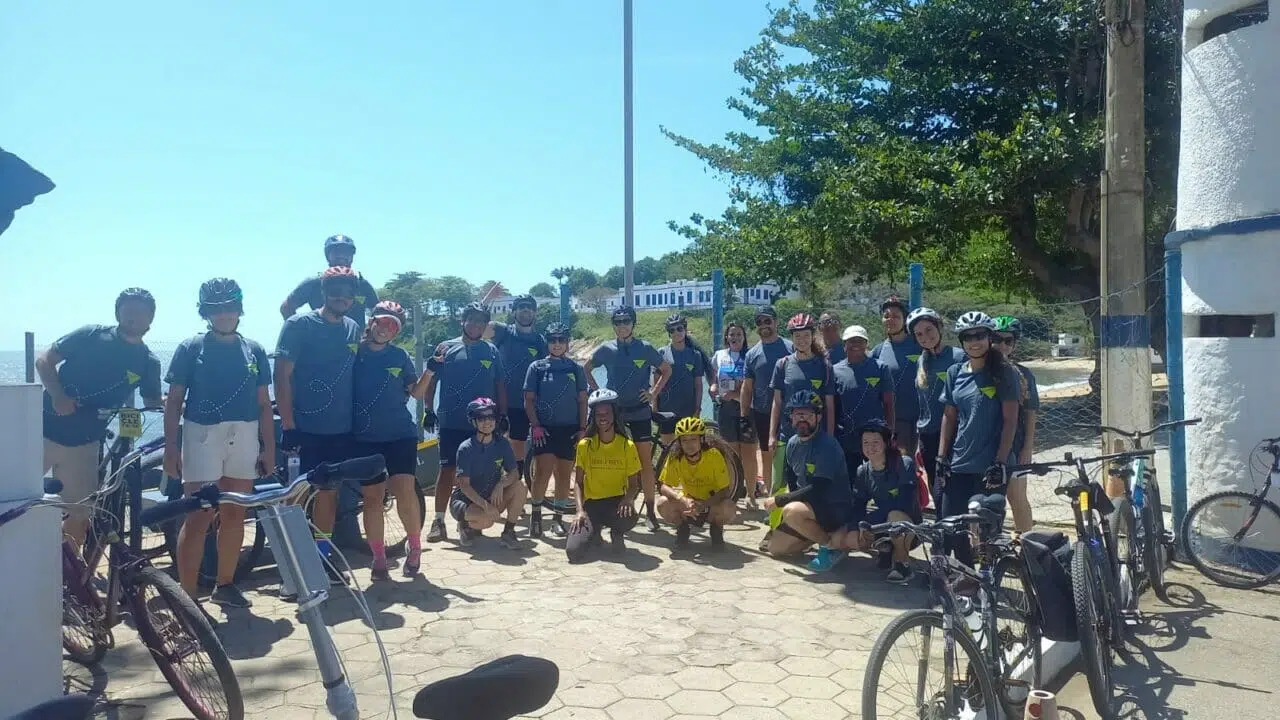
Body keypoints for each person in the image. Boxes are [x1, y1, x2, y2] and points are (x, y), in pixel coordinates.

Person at [164, 279, 273, 607]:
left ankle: (225, 585)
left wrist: (268, 447)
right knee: (198, 515)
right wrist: (171, 447)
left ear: (239, 309)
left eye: (230, 307)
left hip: (245, 433)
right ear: (206, 313)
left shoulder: (254, 349)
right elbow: (174, 401)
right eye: (216, 308)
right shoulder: (190, 348)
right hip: (202, 434)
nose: (224, 314)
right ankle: (187, 596)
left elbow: (264, 404)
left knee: (235, 513)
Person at [38, 288, 163, 549]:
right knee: (13, 502)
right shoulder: (91, 335)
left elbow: (152, 401)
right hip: (42, 432)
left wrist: (177, 403)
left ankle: (66, 569)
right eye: (129, 310)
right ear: (118, 313)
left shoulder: (148, 361)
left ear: (151, 318)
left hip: (85, 443)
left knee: (79, 514)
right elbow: (44, 360)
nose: (134, 317)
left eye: (142, 312)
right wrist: (58, 395)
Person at [274, 266, 362, 578]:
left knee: (328, 495)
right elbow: (281, 376)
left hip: (340, 429)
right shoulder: (298, 325)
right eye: (335, 290)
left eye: (348, 292)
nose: (341, 297)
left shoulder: (353, 328)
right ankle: (293, 568)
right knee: (296, 497)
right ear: (323, 292)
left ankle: (322, 558)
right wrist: (288, 426)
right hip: (304, 428)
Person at [352, 301, 431, 578]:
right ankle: (378, 558)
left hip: (400, 434)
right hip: (364, 437)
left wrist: (431, 371)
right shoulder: (354, 353)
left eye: (393, 326)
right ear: (371, 321)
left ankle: (415, 548)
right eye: (382, 322)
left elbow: (417, 393)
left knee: (404, 491)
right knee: (372, 498)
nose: (385, 329)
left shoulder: (400, 356)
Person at [936, 311, 1021, 566]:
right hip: (960, 461)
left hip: (991, 462)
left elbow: (1010, 421)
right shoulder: (954, 372)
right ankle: (967, 578)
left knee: (987, 529)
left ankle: (988, 578)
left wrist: (1000, 462)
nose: (974, 342)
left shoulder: (1004, 373)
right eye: (968, 337)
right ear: (961, 341)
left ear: (989, 337)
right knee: (953, 526)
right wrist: (941, 456)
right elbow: (949, 417)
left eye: (980, 336)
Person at [422, 302, 506, 543]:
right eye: (472, 319)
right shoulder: (445, 348)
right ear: (463, 321)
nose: (476, 325)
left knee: (477, 472)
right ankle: (438, 521)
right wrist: (428, 410)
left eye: (482, 321)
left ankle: (466, 521)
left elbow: (500, 384)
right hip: (451, 421)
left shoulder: (491, 351)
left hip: (482, 424)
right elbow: (431, 382)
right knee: (448, 470)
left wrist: (502, 416)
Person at [584, 306, 671, 531]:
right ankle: (613, 507)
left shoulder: (645, 348)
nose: (622, 326)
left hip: (640, 410)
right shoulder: (606, 349)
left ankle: (650, 512)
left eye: (626, 321)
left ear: (633, 324)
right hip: (616, 412)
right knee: (614, 459)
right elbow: (586, 368)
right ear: (613, 325)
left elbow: (666, 369)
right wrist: (598, 392)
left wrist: (653, 393)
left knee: (644, 463)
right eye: (618, 322)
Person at [761, 390, 852, 559]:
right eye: (797, 415)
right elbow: (793, 482)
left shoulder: (827, 445)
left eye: (808, 415)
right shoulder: (792, 444)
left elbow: (819, 488)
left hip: (834, 508)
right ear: (791, 418)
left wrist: (780, 500)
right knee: (775, 548)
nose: (802, 420)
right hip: (810, 508)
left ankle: (831, 547)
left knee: (791, 511)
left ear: (819, 417)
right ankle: (815, 535)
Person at [828, 421, 922, 581]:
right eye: (865, 442)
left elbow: (905, 503)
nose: (870, 447)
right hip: (881, 524)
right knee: (844, 538)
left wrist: (871, 524)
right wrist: (856, 528)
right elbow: (858, 505)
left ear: (886, 443)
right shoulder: (863, 471)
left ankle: (902, 564)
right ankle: (885, 549)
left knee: (895, 517)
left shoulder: (903, 463)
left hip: (909, 526)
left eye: (875, 442)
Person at [523, 322, 588, 539]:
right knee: (542, 473)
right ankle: (536, 517)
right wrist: (535, 425)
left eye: (561, 340)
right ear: (547, 343)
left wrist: (582, 428)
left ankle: (558, 520)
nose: (557, 344)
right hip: (544, 429)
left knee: (563, 475)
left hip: (569, 429)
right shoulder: (537, 367)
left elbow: (582, 401)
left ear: (568, 343)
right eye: (552, 340)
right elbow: (528, 400)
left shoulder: (576, 369)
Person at [768, 314, 836, 508]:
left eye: (806, 335)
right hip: (786, 433)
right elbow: (777, 402)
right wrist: (772, 435)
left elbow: (830, 405)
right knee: (779, 482)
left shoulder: (824, 365)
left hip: (815, 436)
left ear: (813, 336)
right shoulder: (783, 364)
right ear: (792, 338)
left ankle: (806, 518)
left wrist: (830, 436)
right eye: (797, 336)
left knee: (809, 482)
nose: (802, 340)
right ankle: (775, 522)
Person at [567, 389, 642, 561]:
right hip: (591, 505)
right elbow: (578, 483)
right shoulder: (585, 445)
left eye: (606, 413)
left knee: (629, 516)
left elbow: (634, 485)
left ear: (614, 415)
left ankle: (617, 532)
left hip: (616, 503)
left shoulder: (627, 446)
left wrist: (628, 499)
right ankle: (595, 531)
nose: (603, 417)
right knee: (573, 553)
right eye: (598, 414)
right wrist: (579, 511)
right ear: (593, 417)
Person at [908, 307, 967, 508]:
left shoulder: (959, 357)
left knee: (955, 487)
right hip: (928, 433)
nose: (925, 337)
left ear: (939, 327)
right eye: (919, 334)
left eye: (929, 330)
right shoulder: (920, 361)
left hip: (954, 432)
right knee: (937, 487)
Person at [486, 294, 547, 483]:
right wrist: (484, 304)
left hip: (526, 403)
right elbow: (479, 328)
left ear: (535, 312)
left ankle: (516, 484)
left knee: (518, 443)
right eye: (521, 307)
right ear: (514, 311)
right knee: (495, 443)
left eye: (529, 307)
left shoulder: (540, 341)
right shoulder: (503, 332)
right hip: (502, 400)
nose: (525, 310)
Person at [450, 398, 525, 548]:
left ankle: (508, 532)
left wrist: (501, 484)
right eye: (481, 418)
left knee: (520, 487)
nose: (487, 422)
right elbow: (464, 486)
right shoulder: (465, 448)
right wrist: (486, 506)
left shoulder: (502, 444)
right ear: (474, 422)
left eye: (491, 417)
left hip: (490, 496)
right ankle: (465, 525)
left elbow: (514, 473)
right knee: (486, 521)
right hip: (465, 500)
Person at [740, 306, 793, 508]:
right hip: (762, 412)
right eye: (760, 322)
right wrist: (744, 416)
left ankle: (792, 500)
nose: (764, 325)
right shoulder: (752, 354)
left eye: (768, 321)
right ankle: (772, 503)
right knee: (767, 456)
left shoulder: (790, 347)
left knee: (791, 455)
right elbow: (747, 387)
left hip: (790, 413)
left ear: (776, 322)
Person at [656, 417, 736, 550]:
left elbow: (724, 491)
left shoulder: (713, 455)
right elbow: (664, 486)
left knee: (729, 507)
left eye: (693, 439)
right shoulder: (675, 456)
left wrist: (703, 505)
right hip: (687, 504)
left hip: (710, 504)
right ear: (679, 442)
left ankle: (716, 530)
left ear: (701, 439)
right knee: (662, 503)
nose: (689, 444)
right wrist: (682, 499)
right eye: (684, 440)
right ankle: (682, 529)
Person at [992, 315, 1039, 533]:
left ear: (1014, 344)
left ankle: (1027, 543)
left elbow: (1030, 413)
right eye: (996, 339)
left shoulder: (1024, 375)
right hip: (983, 446)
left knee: (1018, 498)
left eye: (1008, 341)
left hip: (1015, 445)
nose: (1001, 345)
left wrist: (1027, 447)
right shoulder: (977, 369)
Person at [831, 324, 894, 476]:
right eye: (851, 341)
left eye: (860, 341)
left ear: (866, 344)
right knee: (850, 480)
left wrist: (890, 432)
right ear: (844, 345)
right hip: (846, 439)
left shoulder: (881, 368)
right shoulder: (835, 371)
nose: (856, 345)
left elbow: (888, 403)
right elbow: (832, 406)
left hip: (875, 438)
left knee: (877, 478)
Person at [709, 322, 759, 507]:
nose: (735, 337)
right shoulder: (719, 355)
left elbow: (755, 385)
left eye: (739, 334)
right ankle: (733, 494)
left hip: (747, 410)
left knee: (748, 454)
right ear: (726, 337)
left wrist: (737, 394)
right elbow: (714, 378)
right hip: (726, 410)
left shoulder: (750, 355)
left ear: (744, 337)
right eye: (732, 334)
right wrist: (713, 387)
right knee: (730, 454)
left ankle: (751, 495)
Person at [280, 234, 380, 327]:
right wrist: (299, 331)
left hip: (354, 339)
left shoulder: (362, 285)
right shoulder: (314, 283)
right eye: (336, 252)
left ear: (352, 257)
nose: (341, 256)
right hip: (320, 338)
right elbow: (286, 307)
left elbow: (379, 313)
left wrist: (368, 335)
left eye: (346, 252)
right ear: (328, 256)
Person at [871, 296, 924, 456]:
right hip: (894, 424)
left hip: (921, 422)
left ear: (905, 319)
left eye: (896, 316)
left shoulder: (920, 345)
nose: (890, 320)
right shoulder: (878, 351)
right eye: (886, 316)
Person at [656, 313, 707, 446]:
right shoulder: (662, 353)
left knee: (687, 449)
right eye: (672, 330)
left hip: (688, 410)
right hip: (666, 410)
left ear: (685, 330)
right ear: (669, 333)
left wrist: (698, 408)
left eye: (679, 329)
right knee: (668, 450)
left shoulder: (695, 355)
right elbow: (655, 382)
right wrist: (654, 407)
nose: (676, 332)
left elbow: (698, 384)